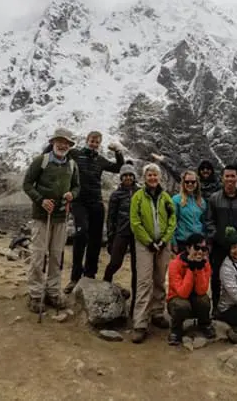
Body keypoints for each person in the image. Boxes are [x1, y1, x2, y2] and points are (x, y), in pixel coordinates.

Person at [23, 128, 80, 313]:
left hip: (61, 217)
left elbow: (77, 186)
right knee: (38, 256)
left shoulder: (71, 165)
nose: (63, 145)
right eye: (60, 141)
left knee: (56, 256)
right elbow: (27, 184)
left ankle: (53, 292)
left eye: (66, 143)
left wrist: (73, 194)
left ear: (69, 146)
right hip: (42, 217)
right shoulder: (42, 161)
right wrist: (41, 200)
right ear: (53, 142)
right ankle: (35, 294)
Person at [63, 131, 124, 294]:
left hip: (96, 202)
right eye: (91, 141)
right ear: (87, 140)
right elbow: (58, 152)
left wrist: (118, 152)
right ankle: (74, 277)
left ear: (100, 143)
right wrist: (64, 141)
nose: (94, 144)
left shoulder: (100, 160)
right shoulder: (75, 154)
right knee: (81, 234)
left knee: (96, 240)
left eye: (97, 142)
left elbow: (118, 168)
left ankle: (89, 274)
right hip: (79, 201)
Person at [130, 163, 177, 344]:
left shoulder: (166, 197)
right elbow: (135, 222)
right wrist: (149, 242)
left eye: (155, 175)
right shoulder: (138, 197)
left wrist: (165, 240)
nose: (152, 178)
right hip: (144, 244)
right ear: (145, 177)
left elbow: (172, 219)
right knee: (143, 281)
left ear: (159, 177)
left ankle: (157, 312)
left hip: (163, 244)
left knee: (159, 279)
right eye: (149, 175)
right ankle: (140, 322)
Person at [206, 164, 237, 311]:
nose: (230, 179)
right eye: (227, 176)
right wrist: (216, 236)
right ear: (222, 178)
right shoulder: (214, 199)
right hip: (219, 246)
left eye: (232, 176)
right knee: (216, 277)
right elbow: (209, 221)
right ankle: (216, 307)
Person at [151, 139, 237, 201]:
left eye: (208, 169)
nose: (205, 170)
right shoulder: (195, 183)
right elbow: (178, 174)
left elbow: (232, 168)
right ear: (199, 171)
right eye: (203, 169)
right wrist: (164, 160)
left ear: (212, 171)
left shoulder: (217, 182)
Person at [103, 161, 140, 317]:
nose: (128, 178)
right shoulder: (116, 194)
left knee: (136, 268)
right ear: (121, 177)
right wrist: (110, 236)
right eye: (125, 175)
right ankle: (105, 284)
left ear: (134, 176)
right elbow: (111, 217)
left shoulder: (140, 192)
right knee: (115, 262)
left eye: (130, 175)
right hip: (121, 232)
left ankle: (135, 304)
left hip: (137, 233)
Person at [167, 233, 216, 345]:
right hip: (177, 299)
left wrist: (198, 269)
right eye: (197, 248)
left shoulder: (205, 264)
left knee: (204, 300)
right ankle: (176, 329)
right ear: (188, 248)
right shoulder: (175, 264)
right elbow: (182, 293)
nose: (200, 252)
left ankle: (204, 324)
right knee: (181, 305)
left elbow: (201, 290)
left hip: (195, 298)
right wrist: (191, 268)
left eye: (203, 249)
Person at [171, 170, 206, 255]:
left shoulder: (201, 201)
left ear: (197, 183)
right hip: (183, 242)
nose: (190, 184)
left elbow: (204, 221)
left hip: (198, 242)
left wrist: (204, 238)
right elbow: (171, 222)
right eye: (187, 182)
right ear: (183, 183)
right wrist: (173, 242)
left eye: (193, 182)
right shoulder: (176, 200)